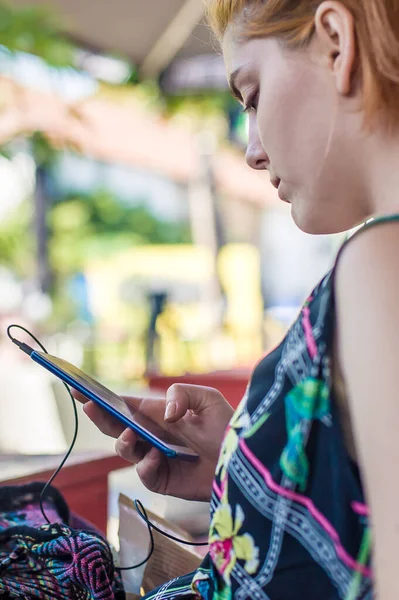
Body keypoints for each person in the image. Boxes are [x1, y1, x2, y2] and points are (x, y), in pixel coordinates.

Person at [77, 1, 399, 598]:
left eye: (251, 97)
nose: (251, 149)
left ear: (336, 42)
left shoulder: (384, 262)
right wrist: (243, 463)